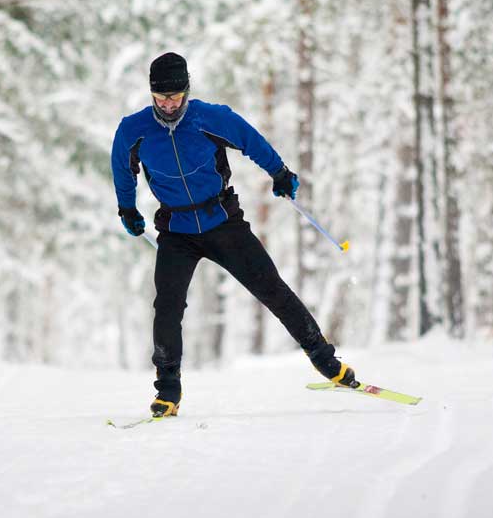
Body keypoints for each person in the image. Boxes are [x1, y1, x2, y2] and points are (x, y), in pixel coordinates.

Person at [110, 52, 357, 418]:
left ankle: (327, 362)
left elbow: (251, 141)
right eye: (161, 98)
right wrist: (127, 209)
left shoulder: (210, 118)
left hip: (222, 220)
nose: (169, 105)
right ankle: (168, 392)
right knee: (167, 307)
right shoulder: (134, 131)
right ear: (151, 95)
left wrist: (280, 172)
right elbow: (122, 169)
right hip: (176, 230)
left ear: (187, 91)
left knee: (272, 289)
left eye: (176, 97)